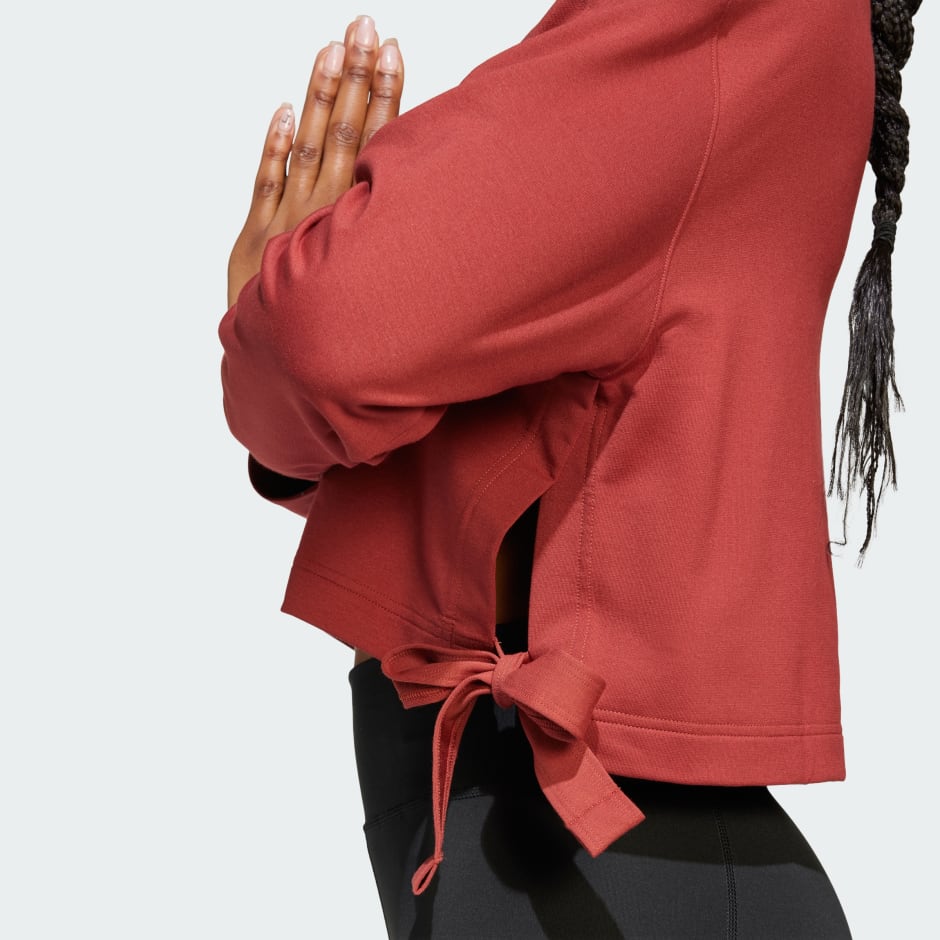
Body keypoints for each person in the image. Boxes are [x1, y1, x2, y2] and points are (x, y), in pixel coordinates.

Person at [219, 1, 922, 936]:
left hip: (595, 862)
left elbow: (327, 333)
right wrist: (280, 344)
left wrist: (273, 322)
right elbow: (332, 377)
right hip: (583, 858)